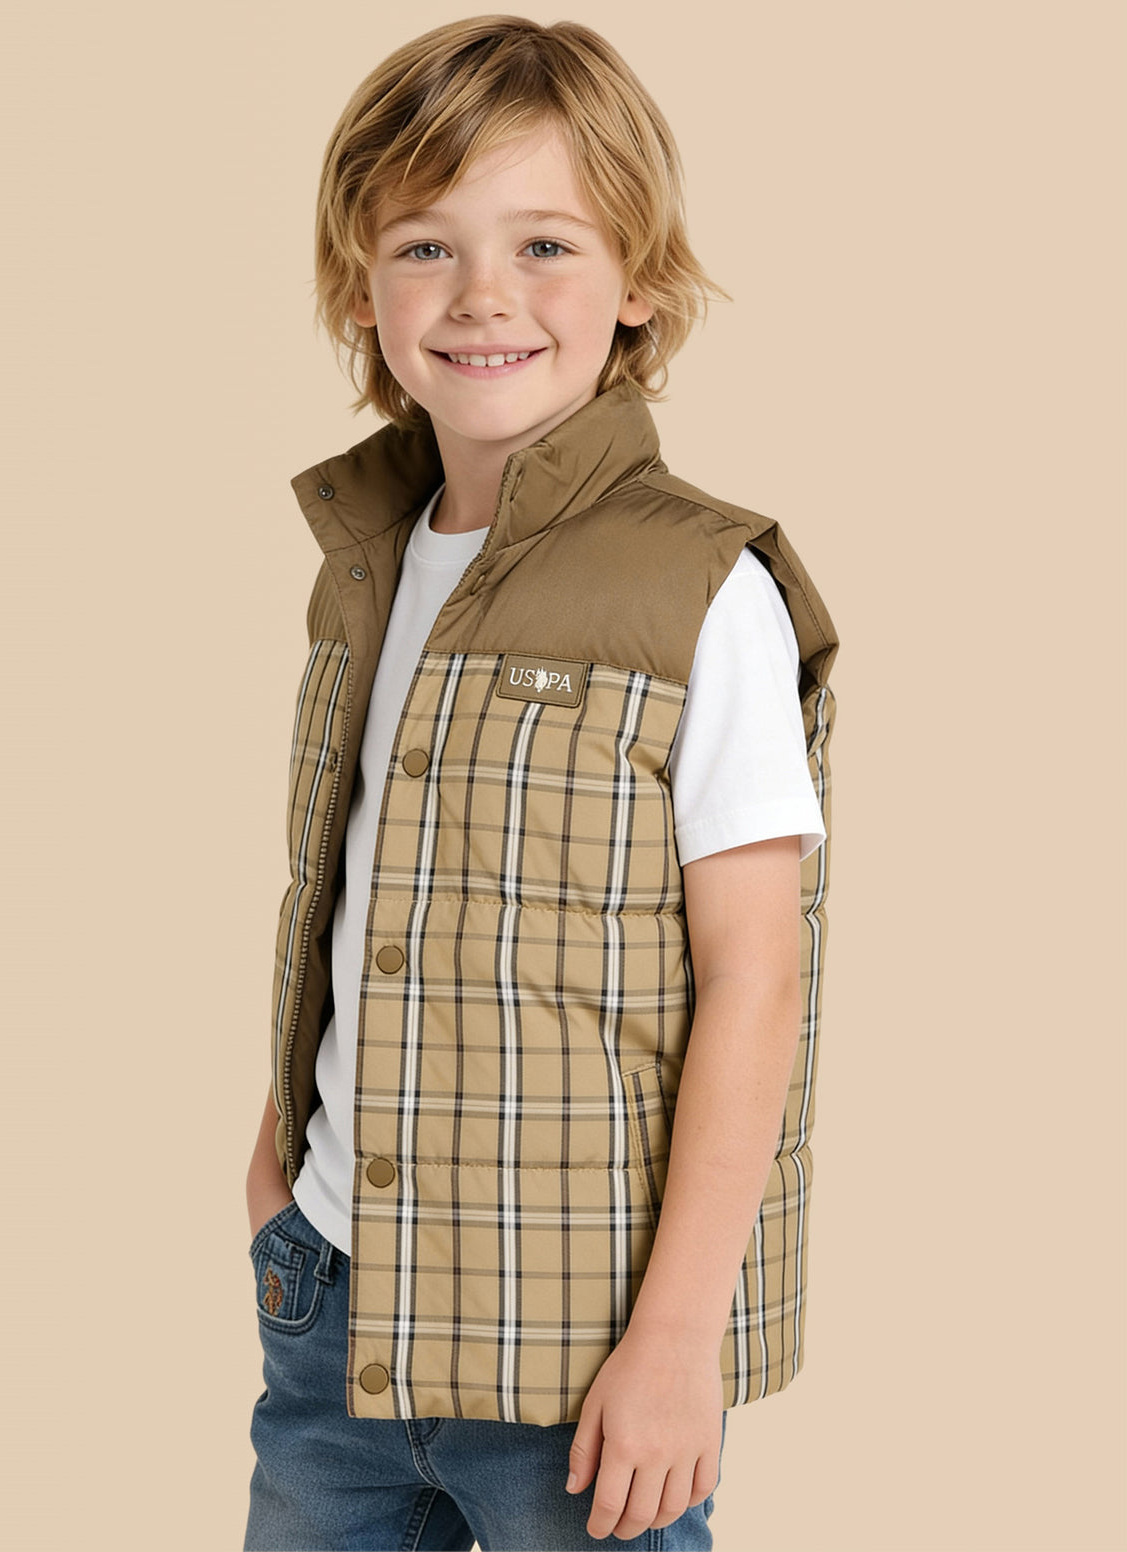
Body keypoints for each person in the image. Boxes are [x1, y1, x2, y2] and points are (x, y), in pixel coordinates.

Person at [243, 16, 839, 1550]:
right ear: (360, 287)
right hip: (332, 1310)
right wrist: (275, 1167)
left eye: (546, 244)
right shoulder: (366, 564)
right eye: (425, 246)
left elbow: (757, 979)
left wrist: (676, 1341)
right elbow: (352, 893)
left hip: (576, 1358)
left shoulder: (703, 588)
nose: (483, 293)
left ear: (638, 281)